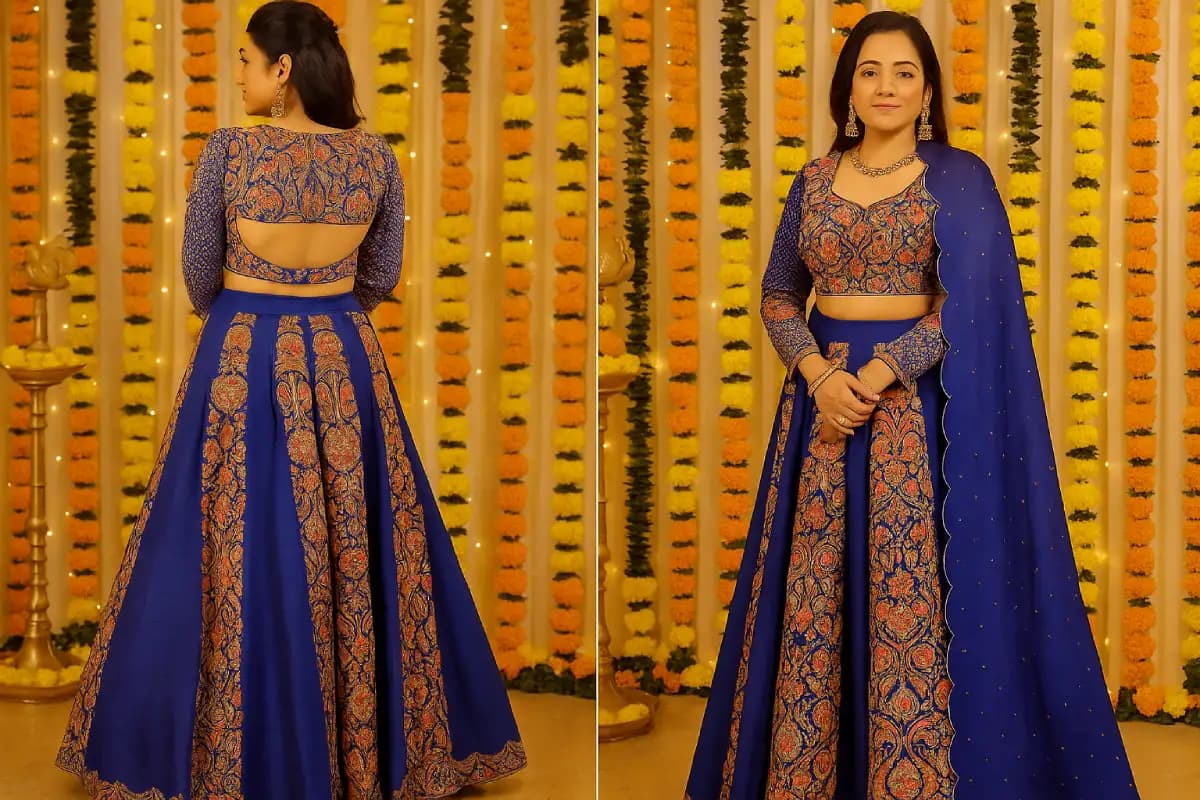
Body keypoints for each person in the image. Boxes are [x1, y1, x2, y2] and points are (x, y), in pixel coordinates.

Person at [54, 2, 526, 797]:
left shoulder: (231, 151)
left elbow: (198, 270)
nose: (234, 73)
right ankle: (367, 749)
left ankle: (218, 751)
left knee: (225, 542)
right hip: (345, 353)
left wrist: (251, 313)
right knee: (357, 540)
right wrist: (322, 308)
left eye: (244, 59)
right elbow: (381, 278)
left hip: (241, 351)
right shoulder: (375, 158)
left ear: (281, 71)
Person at [684, 11, 1139, 800]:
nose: (886, 86)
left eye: (903, 72)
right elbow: (778, 292)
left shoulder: (959, 179)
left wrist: (889, 368)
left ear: (926, 89)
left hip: (918, 419)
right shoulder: (815, 181)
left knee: (910, 595)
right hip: (821, 416)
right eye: (870, 71)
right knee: (816, 600)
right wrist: (821, 378)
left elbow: (974, 305)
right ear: (848, 87)